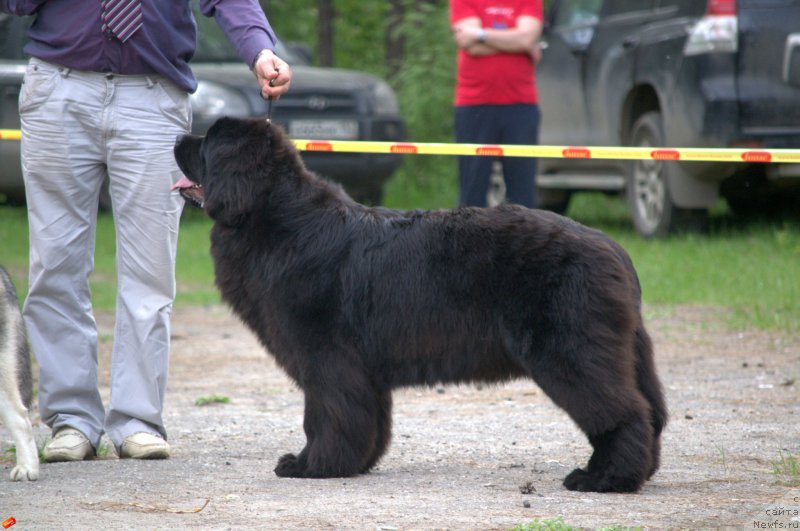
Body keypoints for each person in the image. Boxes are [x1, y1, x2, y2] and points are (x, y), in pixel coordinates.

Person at [0, 0, 292, 462]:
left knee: (150, 271)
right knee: (54, 265)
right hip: (59, 87)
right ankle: (71, 420)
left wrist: (260, 49)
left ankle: (137, 419)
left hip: (153, 95)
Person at [450, 0, 543, 208]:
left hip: (521, 105)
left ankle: (520, 232)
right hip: (474, 105)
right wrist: (517, 43)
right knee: (472, 195)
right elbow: (470, 45)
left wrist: (480, 34)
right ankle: (472, 232)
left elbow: (526, 38)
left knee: (523, 197)